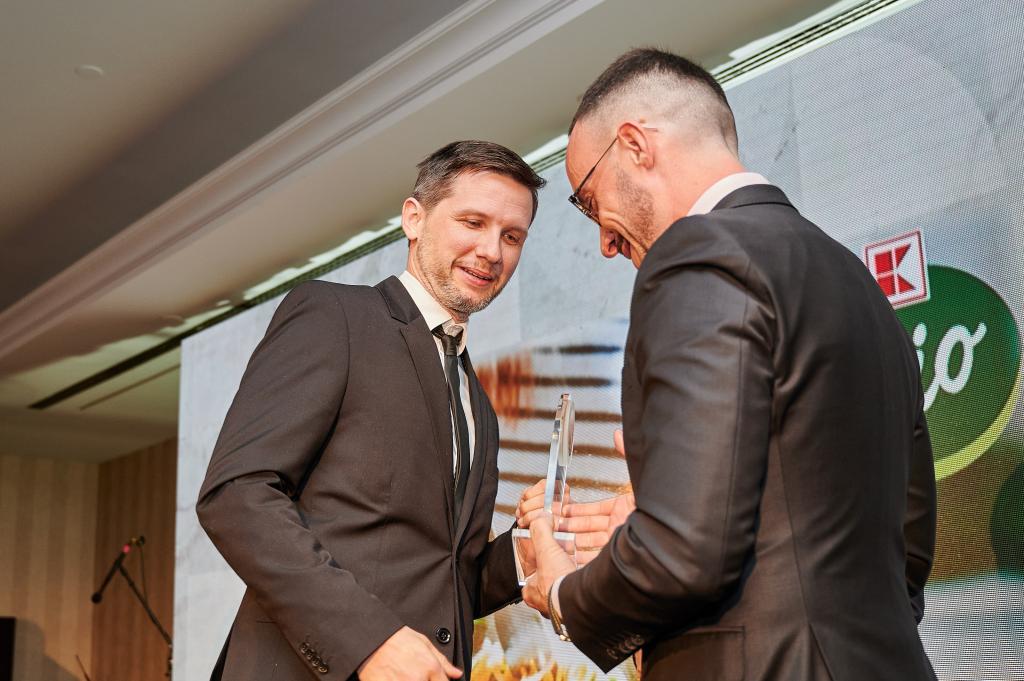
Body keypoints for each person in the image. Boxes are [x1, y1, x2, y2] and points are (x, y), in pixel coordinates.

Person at [521, 48, 938, 680]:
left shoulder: (697, 256)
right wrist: (661, 512)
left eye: (587, 200)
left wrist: (565, 593)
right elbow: (907, 552)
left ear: (634, 145)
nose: (603, 240)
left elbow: (686, 552)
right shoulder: (860, 286)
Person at [197, 140, 545, 681]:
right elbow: (236, 494)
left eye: (512, 236)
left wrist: (524, 553)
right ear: (414, 218)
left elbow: (443, 578)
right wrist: (367, 641)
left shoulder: (477, 401)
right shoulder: (335, 315)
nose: (491, 251)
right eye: (473, 222)